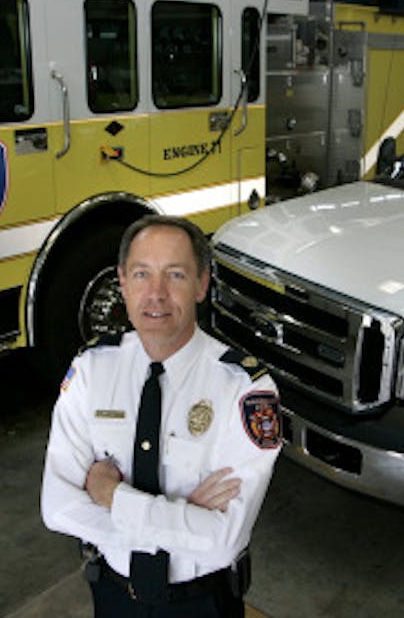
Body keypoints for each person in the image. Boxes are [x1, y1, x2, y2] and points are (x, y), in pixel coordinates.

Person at [41, 214, 281, 617]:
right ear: (122, 281)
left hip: (203, 602)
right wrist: (184, 512)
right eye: (141, 274)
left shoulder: (245, 389)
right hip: (113, 596)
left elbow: (223, 540)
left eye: (175, 275)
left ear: (202, 285)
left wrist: (110, 495)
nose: (155, 294)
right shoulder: (92, 370)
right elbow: (58, 507)